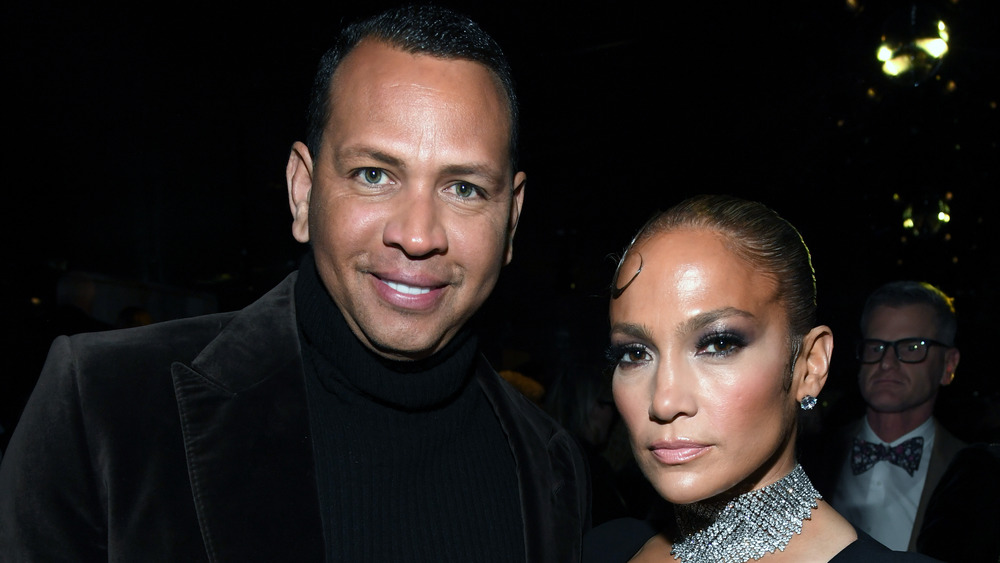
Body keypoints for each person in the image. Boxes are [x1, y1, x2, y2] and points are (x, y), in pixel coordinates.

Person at [0, 6, 589, 561]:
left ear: (511, 218)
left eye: (463, 188)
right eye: (375, 174)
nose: (416, 235)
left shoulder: (550, 466)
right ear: (303, 191)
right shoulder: (104, 405)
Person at [583, 195, 938, 562]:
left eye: (719, 344)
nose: (664, 402)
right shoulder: (601, 548)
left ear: (810, 364)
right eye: (635, 354)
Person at [812, 281, 965, 553]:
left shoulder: (974, 475)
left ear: (948, 365)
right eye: (876, 346)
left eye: (912, 347)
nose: (886, 362)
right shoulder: (811, 457)